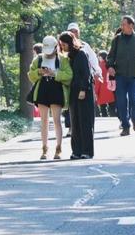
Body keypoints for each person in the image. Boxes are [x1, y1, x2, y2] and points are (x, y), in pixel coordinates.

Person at [28, 35, 72, 160]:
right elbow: (30, 75)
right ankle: (44, 148)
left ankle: (58, 148)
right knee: (44, 121)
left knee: (57, 120)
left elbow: (69, 75)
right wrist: (39, 72)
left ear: (55, 47)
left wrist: (55, 73)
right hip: (42, 89)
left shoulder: (62, 59)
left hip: (56, 89)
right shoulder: (39, 59)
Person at [58, 30, 95, 159]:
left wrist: (83, 89)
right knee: (75, 122)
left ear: (70, 43)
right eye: (61, 45)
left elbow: (86, 74)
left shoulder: (81, 54)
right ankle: (76, 150)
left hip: (84, 91)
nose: (62, 47)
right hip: (73, 92)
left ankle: (87, 151)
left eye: (64, 44)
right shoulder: (68, 57)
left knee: (85, 121)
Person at [94, 49, 116, 117]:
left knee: (103, 107)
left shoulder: (99, 66)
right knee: (112, 106)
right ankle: (113, 117)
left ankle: (104, 118)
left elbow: (97, 80)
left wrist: (96, 91)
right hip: (110, 88)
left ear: (101, 57)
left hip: (102, 89)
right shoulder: (110, 65)